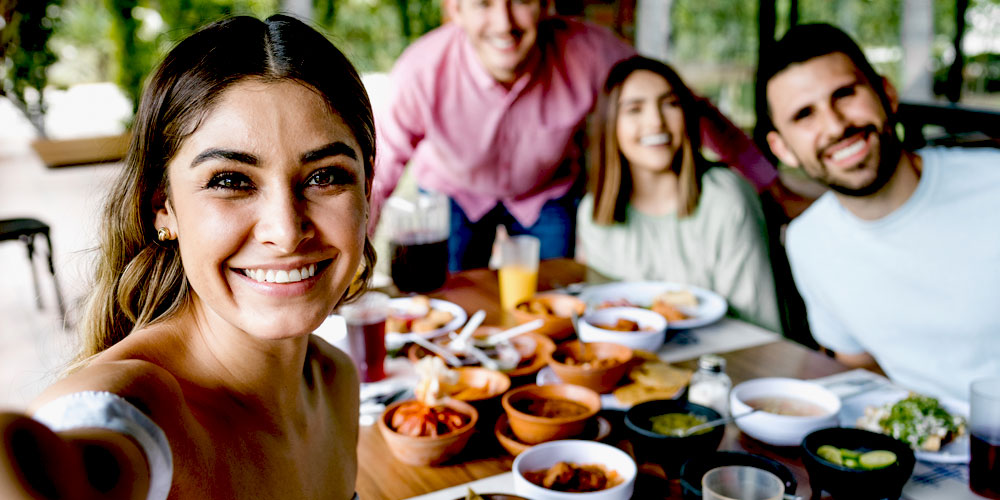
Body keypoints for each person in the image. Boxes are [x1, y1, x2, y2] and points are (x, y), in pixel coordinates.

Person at [0, 15, 375, 499]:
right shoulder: (135, 409)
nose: (285, 232)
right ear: (164, 207)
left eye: (325, 176)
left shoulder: (335, 378)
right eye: (230, 181)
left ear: (367, 187)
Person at [371, 0, 780, 271]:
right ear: (455, 10)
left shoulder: (589, 51)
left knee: (555, 300)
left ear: (546, 4)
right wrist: (352, 255)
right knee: (452, 305)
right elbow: (381, 168)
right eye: (483, 3)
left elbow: (686, 104)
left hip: (544, 193)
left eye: (521, 0)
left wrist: (770, 184)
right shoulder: (421, 70)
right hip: (453, 190)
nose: (505, 22)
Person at [758, 23, 1000, 402]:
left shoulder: (993, 185)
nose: (836, 125)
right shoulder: (808, 242)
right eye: (805, 114)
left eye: (845, 94)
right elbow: (861, 371)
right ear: (783, 148)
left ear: (886, 93)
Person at [577, 56, 781, 333]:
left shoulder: (727, 199)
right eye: (634, 109)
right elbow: (608, 319)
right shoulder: (593, 213)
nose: (656, 122)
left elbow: (760, 329)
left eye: (670, 104)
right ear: (609, 125)